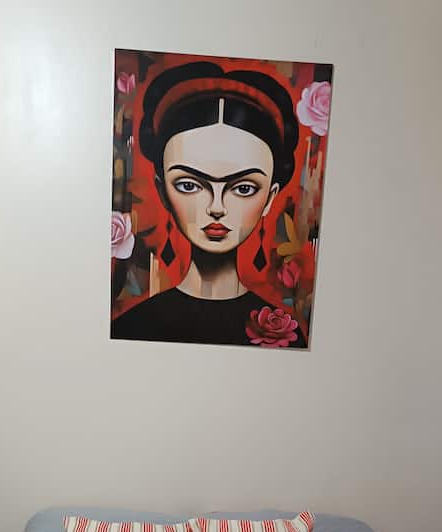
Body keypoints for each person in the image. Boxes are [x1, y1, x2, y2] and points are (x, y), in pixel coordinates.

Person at [111, 61, 305, 347]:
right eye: (190, 185)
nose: (216, 207)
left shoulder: (288, 336)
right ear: (162, 190)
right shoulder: (131, 328)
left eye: (243, 188)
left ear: (270, 197)